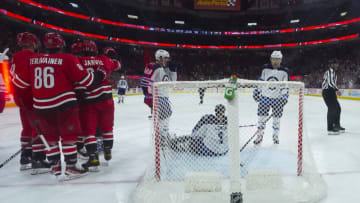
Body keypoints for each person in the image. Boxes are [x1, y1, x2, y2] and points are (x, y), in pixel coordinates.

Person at [19, 33, 105, 179]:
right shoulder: (67, 58)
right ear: (61, 45)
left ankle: (56, 168)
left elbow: (22, 83)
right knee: (69, 136)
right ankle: (71, 167)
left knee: (50, 137)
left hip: (40, 107)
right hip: (64, 105)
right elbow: (86, 80)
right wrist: (100, 74)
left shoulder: (33, 60)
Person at [9, 32, 50, 173]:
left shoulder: (15, 56)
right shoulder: (30, 57)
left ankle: (25, 157)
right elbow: (26, 79)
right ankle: (38, 159)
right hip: (31, 98)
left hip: (20, 98)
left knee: (27, 127)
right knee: (37, 128)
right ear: (33, 43)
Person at [77, 40, 119, 170]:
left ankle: (93, 158)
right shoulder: (103, 58)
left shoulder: (78, 60)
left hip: (89, 101)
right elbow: (117, 65)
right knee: (107, 128)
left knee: (89, 131)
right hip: (107, 99)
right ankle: (107, 151)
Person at [253, 50, 289, 145]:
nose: (275, 61)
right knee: (261, 119)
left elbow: (285, 85)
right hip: (264, 98)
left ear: (281, 60)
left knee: (276, 119)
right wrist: (257, 91)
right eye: (273, 59)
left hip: (277, 100)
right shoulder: (265, 69)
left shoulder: (284, 71)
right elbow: (261, 81)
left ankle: (275, 136)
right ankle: (259, 136)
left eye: (277, 59)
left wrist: (284, 97)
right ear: (271, 59)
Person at [142, 49, 177, 133]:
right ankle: (162, 138)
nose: (167, 60)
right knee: (163, 119)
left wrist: (172, 71)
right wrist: (150, 97)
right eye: (166, 58)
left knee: (164, 118)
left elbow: (172, 84)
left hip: (160, 99)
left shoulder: (160, 68)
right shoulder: (157, 68)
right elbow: (146, 82)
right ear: (160, 58)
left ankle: (162, 138)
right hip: (159, 98)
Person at [322, 59, 345, 135]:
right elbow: (330, 82)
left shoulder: (333, 72)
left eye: (337, 64)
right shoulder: (330, 72)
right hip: (328, 91)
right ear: (332, 64)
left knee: (337, 108)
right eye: (336, 64)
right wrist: (337, 89)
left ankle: (336, 125)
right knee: (332, 109)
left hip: (330, 92)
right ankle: (330, 128)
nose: (337, 65)